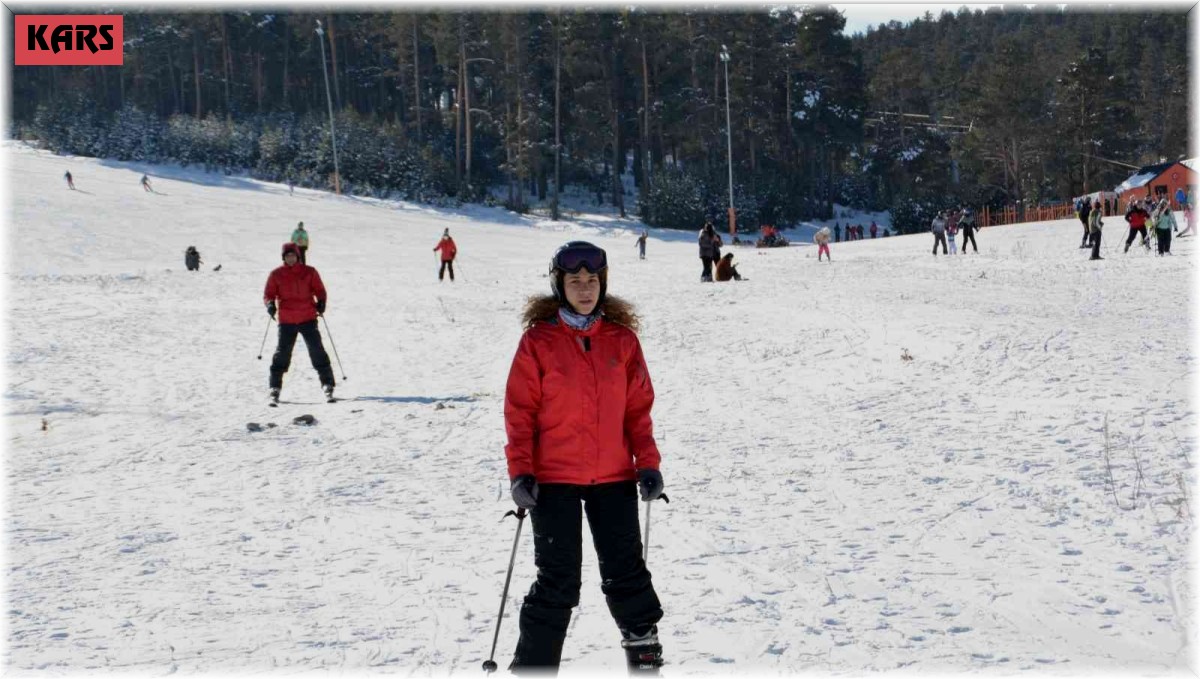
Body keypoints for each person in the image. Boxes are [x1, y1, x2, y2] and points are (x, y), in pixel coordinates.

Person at [503, 240, 666, 673]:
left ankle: (643, 654)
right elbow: (520, 413)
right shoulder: (539, 342)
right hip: (552, 479)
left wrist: (647, 463)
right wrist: (520, 472)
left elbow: (638, 410)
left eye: (592, 280)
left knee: (626, 571)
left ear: (603, 283)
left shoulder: (622, 341)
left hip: (613, 476)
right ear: (560, 284)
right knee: (557, 580)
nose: (584, 288)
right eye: (575, 280)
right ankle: (534, 667)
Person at [263, 242, 335, 404]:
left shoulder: (309, 272)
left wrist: (321, 301)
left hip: (307, 317)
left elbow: (319, 289)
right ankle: (275, 387)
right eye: (287, 256)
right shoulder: (276, 274)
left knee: (317, 350)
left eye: (293, 255)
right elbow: (269, 293)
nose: (290, 258)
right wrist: (269, 304)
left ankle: (327, 383)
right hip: (287, 319)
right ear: (284, 257)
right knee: (282, 353)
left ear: (298, 256)